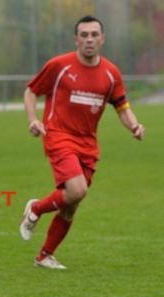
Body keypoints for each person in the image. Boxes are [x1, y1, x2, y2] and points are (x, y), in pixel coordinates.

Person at [19, 15, 146, 269]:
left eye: (94, 35)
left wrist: (134, 124)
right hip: (58, 136)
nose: (89, 39)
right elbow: (31, 90)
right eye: (84, 35)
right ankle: (36, 208)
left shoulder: (111, 74)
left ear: (103, 39)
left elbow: (122, 106)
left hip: (88, 144)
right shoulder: (59, 66)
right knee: (77, 190)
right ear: (76, 39)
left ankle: (45, 255)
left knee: (71, 203)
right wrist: (33, 120)